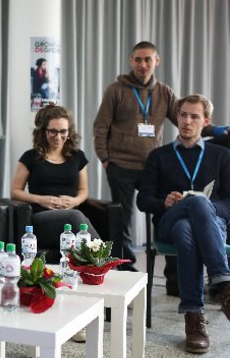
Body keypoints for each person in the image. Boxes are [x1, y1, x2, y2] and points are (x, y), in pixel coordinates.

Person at [93, 41, 229, 275]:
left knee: (167, 209)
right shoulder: (116, 90)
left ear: (157, 61)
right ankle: (128, 270)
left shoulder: (164, 92)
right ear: (131, 62)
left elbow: (186, 121)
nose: (143, 64)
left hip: (152, 163)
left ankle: (174, 274)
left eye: (148, 59)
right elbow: (100, 127)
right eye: (138, 59)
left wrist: (218, 131)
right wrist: (106, 159)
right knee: (122, 220)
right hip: (121, 166)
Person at [137, 94, 230, 354]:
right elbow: (143, 200)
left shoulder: (221, 155)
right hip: (169, 221)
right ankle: (223, 282)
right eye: (183, 115)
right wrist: (163, 202)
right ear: (177, 117)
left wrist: (207, 206)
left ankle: (194, 318)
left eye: (194, 116)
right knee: (188, 214)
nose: (187, 121)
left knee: (189, 225)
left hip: (208, 224)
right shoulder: (159, 156)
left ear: (206, 121)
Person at [11, 103, 100, 252]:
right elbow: (15, 191)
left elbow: (83, 190)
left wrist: (75, 201)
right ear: (43, 131)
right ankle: (104, 260)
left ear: (69, 131)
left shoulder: (78, 157)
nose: (58, 137)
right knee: (74, 217)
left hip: (73, 218)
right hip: (41, 219)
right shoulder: (30, 157)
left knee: (76, 217)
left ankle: (100, 264)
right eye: (53, 131)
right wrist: (41, 199)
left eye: (63, 131)